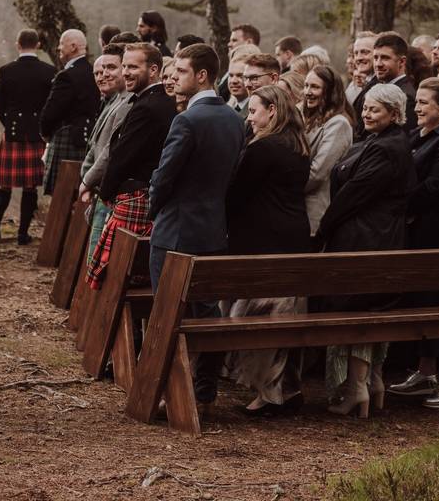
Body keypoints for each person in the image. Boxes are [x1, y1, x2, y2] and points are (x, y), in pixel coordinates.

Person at [148, 43, 246, 407]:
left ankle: (166, 392)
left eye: (183, 71)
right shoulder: (235, 120)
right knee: (207, 312)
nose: (175, 77)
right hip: (212, 229)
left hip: (175, 230)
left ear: (202, 75)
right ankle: (204, 387)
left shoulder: (188, 119)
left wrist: (152, 210)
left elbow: (164, 176)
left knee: (166, 314)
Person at [316, 83, 415, 418]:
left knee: (358, 306)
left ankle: (358, 387)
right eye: (367, 108)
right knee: (365, 305)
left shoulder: (388, 147)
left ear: (394, 113)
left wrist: (323, 230)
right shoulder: (382, 141)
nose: (367, 114)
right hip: (371, 235)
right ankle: (371, 383)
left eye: (376, 109)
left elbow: (353, 194)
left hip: (367, 238)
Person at [227, 85, 311, 415]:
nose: (249, 118)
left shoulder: (264, 149)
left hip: (263, 237)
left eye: (253, 111)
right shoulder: (298, 146)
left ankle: (269, 393)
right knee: (284, 313)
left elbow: (236, 194)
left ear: (272, 111)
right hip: (293, 234)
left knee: (256, 315)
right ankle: (286, 387)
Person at [388, 77, 439, 409]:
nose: (416, 107)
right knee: (425, 298)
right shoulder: (417, 135)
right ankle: (425, 373)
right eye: (416, 101)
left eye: (423, 102)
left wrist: (401, 203)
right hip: (421, 228)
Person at [86, 43, 176, 290]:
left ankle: (120, 328)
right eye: (124, 65)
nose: (126, 72)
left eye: (133, 66)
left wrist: (105, 192)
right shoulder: (159, 101)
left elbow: (122, 156)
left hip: (134, 196)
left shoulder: (148, 106)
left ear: (154, 70)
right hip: (145, 194)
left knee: (114, 274)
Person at [0, 29, 55, 244]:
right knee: (30, 186)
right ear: (39, 44)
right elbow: (51, 105)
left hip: (13, 133)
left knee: (4, 185)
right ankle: (23, 234)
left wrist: (10, 125)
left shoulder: (7, 70)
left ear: (18, 44)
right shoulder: (49, 71)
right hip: (36, 135)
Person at [78, 46, 130, 263]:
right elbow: (94, 144)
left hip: (107, 188)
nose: (104, 75)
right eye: (98, 72)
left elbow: (110, 150)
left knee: (99, 261)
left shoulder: (127, 103)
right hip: (98, 186)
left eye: (111, 68)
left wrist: (88, 181)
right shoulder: (114, 100)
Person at [40, 29, 98, 195]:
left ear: (73, 47)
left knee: (61, 196)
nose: (59, 48)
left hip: (67, 138)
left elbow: (51, 111)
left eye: (61, 44)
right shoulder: (93, 71)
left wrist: (45, 133)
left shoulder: (67, 75)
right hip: (88, 139)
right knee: (78, 196)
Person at [302, 65, 354, 236]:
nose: (308, 92)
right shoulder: (311, 118)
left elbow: (317, 173)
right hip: (298, 210)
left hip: (315, 212)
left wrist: (285, 190)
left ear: (330, 91)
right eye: (306, 85)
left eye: (315, 87)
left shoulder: (338, 124)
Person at [352, 32, 416, 141]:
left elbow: (399, 141)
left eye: (385, 58)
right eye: (376, 58)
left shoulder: (406, 96)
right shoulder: (378, 87)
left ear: (401, 61)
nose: (378, 64)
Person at [347, 31, 377, 105]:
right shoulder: (357, 84)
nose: (359, 58)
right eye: (356, 53)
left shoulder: (382, 85)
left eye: (365, 52)